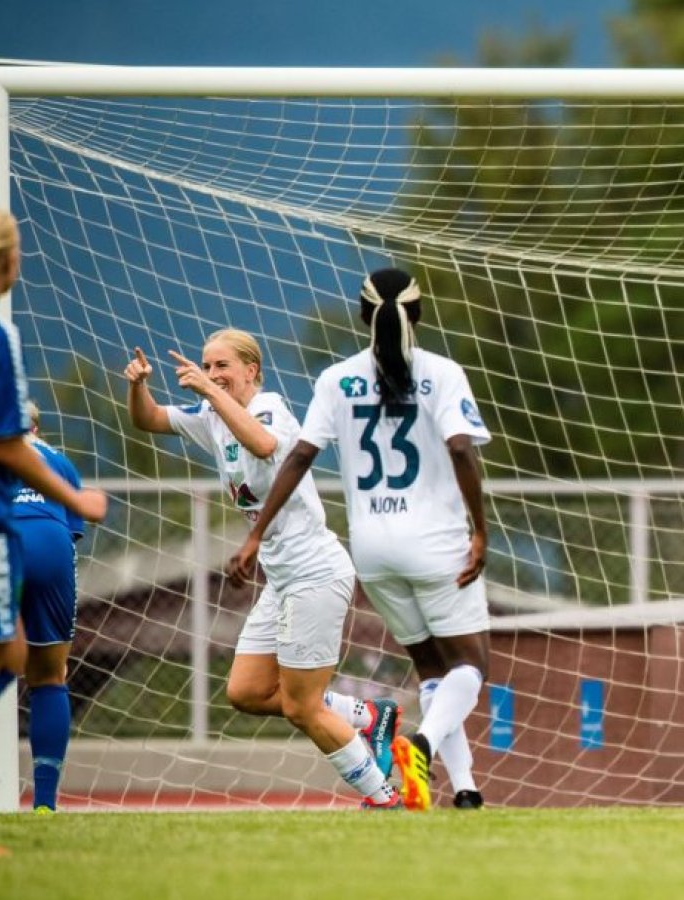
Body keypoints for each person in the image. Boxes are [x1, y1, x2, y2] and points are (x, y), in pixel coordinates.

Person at [225, 268, 492, 812]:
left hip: (370, 547)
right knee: (471, 664)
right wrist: (480, 530)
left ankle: (464, 790)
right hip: (435, 542)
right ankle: (421, 742)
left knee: (431, 668)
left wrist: (255, 534)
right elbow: (462, 450)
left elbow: (299, 456)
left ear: (363, 316)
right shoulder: (441, 373)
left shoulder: (336, 379)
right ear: (416, 315)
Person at [123, 328, 403, 810]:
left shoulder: (269, 408)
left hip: (315, 572)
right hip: (282, 581)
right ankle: (367, 714)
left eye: (222, 366)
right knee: (246, 692)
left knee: (301, 707)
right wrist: (138, 384)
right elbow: (148, 419)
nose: (211, 375)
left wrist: (210, 392)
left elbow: (263, 444)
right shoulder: (212, 416)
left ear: (251, 370)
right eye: (207, 366)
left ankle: (384, 797)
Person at [0, 211, 109, 707]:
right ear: (8, 261)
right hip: (13, 536)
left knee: (14, 653)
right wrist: (76, 500)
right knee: (22, 659)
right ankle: (46, 790)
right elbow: (9, 445)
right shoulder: (2, 340)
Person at [12, 402, 88, 812]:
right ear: (36, 427)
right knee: (49, 675)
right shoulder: (59, 462)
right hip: (51, 545)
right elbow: (72, 532)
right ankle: (44, 804)